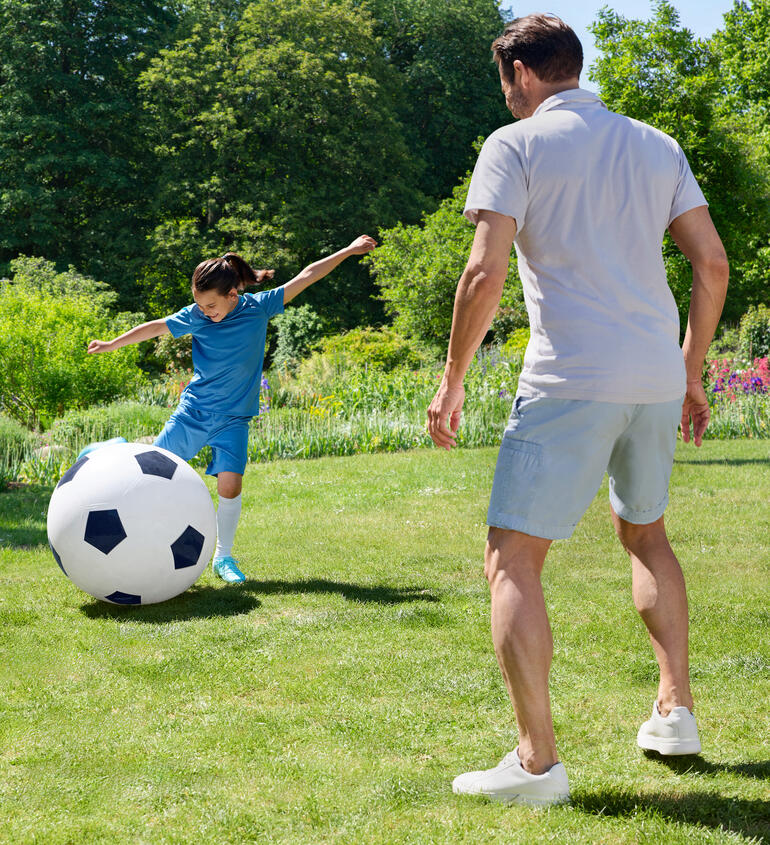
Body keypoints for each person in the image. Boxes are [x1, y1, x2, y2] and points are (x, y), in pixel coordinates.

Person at [427, 14, 728, 807]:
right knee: (646, 533)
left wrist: (452, 380)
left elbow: (482, 272)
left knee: (512, 559)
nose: (508, 96)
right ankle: (676, 710)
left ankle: (537, 764)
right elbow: (713, 264)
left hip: (570, 379)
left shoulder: (514, 143)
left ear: (521, 75)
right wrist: (690, 370)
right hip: (655, 378)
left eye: (506, 84)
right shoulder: (655, 144)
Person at [88, 235, 377, 582]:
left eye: (211, 306)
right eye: (200, 306)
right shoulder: (196, 316)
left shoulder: (259, 307)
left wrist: (348, 250)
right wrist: (111, 344)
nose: (205, 312)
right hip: (194, 413)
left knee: (230, 486)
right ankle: (113, 452)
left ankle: (222, 558)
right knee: (149, 475)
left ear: (232, 295)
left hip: (235, 420)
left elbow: (308, 275)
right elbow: (155, 328)